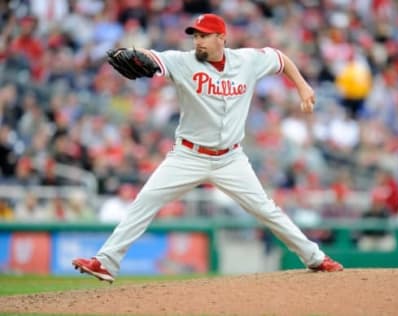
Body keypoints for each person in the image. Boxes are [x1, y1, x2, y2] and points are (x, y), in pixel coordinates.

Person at [72, 13, 343, 282]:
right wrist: (129, 53)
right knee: (146, 200)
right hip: (188, 155)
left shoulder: (247, 61)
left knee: (266, 209)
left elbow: (280, 59)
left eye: (204, 35)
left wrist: (303, 86)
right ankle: (106, 262)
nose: (198, 41)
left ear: (221, 38)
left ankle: (315, 258)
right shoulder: (183, 62)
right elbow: (154, 57)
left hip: (231, 159)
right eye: (196, 36)